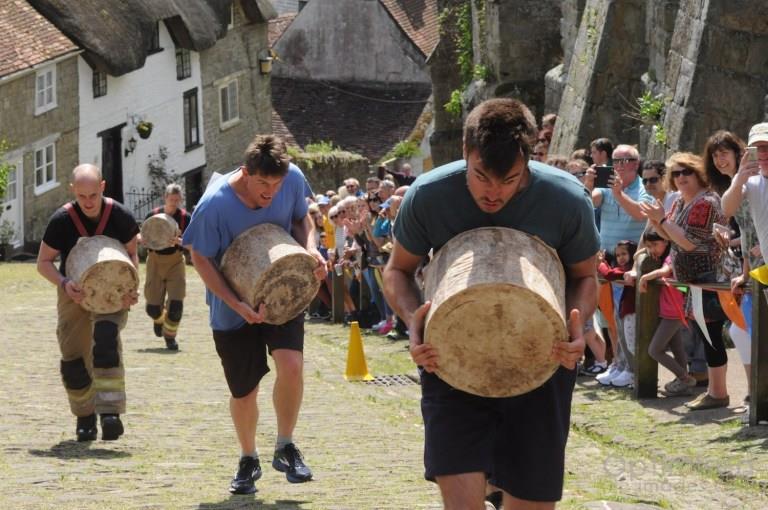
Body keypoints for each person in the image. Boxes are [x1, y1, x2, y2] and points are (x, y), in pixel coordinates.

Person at [383, 98, 599, 509]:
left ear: (529, 162)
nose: (493, 192)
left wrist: (579, 326)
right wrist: (414, 321)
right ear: (465, 153)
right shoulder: (429, 195)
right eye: (481, 176)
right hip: (448, 357)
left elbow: (585, 276)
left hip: (542, 359)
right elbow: (397, 271)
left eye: (509, 180)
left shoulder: (567, 199)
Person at [182, 135, 327, 494]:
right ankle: (248, 457)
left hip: (284, 291)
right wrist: (237, 305)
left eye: (277, 184)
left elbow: (302, 219)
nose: (271, 192)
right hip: (232, 305)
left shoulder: (290, 178)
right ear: (245, 173)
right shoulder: (215, 205)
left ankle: (286, 445)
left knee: (291, 366)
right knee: (245, 391)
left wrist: (312, 251)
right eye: (263, 183)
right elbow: (200, 258)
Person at [36, 164, 139, 442]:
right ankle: (84, 416)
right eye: (82, 197)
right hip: (73, 291)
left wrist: (132, 287)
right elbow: (43, 263)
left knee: (106, 340)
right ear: (73, 192)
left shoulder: (119, 216)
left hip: (113, 291)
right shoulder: (62, 221)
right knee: (73, 360)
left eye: (93, 195)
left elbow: (132, 255)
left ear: (103, 187)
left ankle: (110, 413)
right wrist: (64, 284)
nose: (89, 202)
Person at [641, 152, 729, 410]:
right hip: (692, 281)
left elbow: (689, 242)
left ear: (698, 172)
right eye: (676, 174)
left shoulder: (706, 202)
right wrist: (657, 220)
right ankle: (714, 390)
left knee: (712, 336)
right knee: (706, 335)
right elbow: (668, 236)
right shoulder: (679, 202)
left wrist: (663, 220)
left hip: (709, 278)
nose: (680, 178)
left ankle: (718, 392)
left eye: (686, 172)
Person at [637, 229, 693, 396]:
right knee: (677, 347)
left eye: (655, 244)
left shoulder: (671, 257)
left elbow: (664, 271)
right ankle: (683, 384)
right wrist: (645, 251)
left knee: (654, 350)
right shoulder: (661, 256)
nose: (651, 249)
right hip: (670, 311)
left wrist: (645, 277)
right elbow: (637, 255)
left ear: (666, 242)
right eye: (648, 246)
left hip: (675, 311)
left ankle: (684, 378)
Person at [140, 183, 191, 351]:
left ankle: (170, 338)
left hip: (175, 261)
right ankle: (159, 318)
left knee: (176, 305)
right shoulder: (153, 215)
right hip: (154, 260)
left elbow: (193, 244)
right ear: (165, 198)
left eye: (177, 200)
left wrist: (180, 242)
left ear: (180, 200)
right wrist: (143, 240)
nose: (174, 203)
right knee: (152, 308)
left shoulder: (185, 218)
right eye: (171, 200)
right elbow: (142, 235)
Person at [595, 240, 638, 388]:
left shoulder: (631, 269)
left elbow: (609, 274)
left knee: (631, 344)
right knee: (622, 340)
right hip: (621, 309)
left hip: (631, 311)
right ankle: (622, 368)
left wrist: (600, 263)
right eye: (618, 255)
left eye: (624, 254)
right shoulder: (622, 268)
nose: (621, 257)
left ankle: (633, 373)